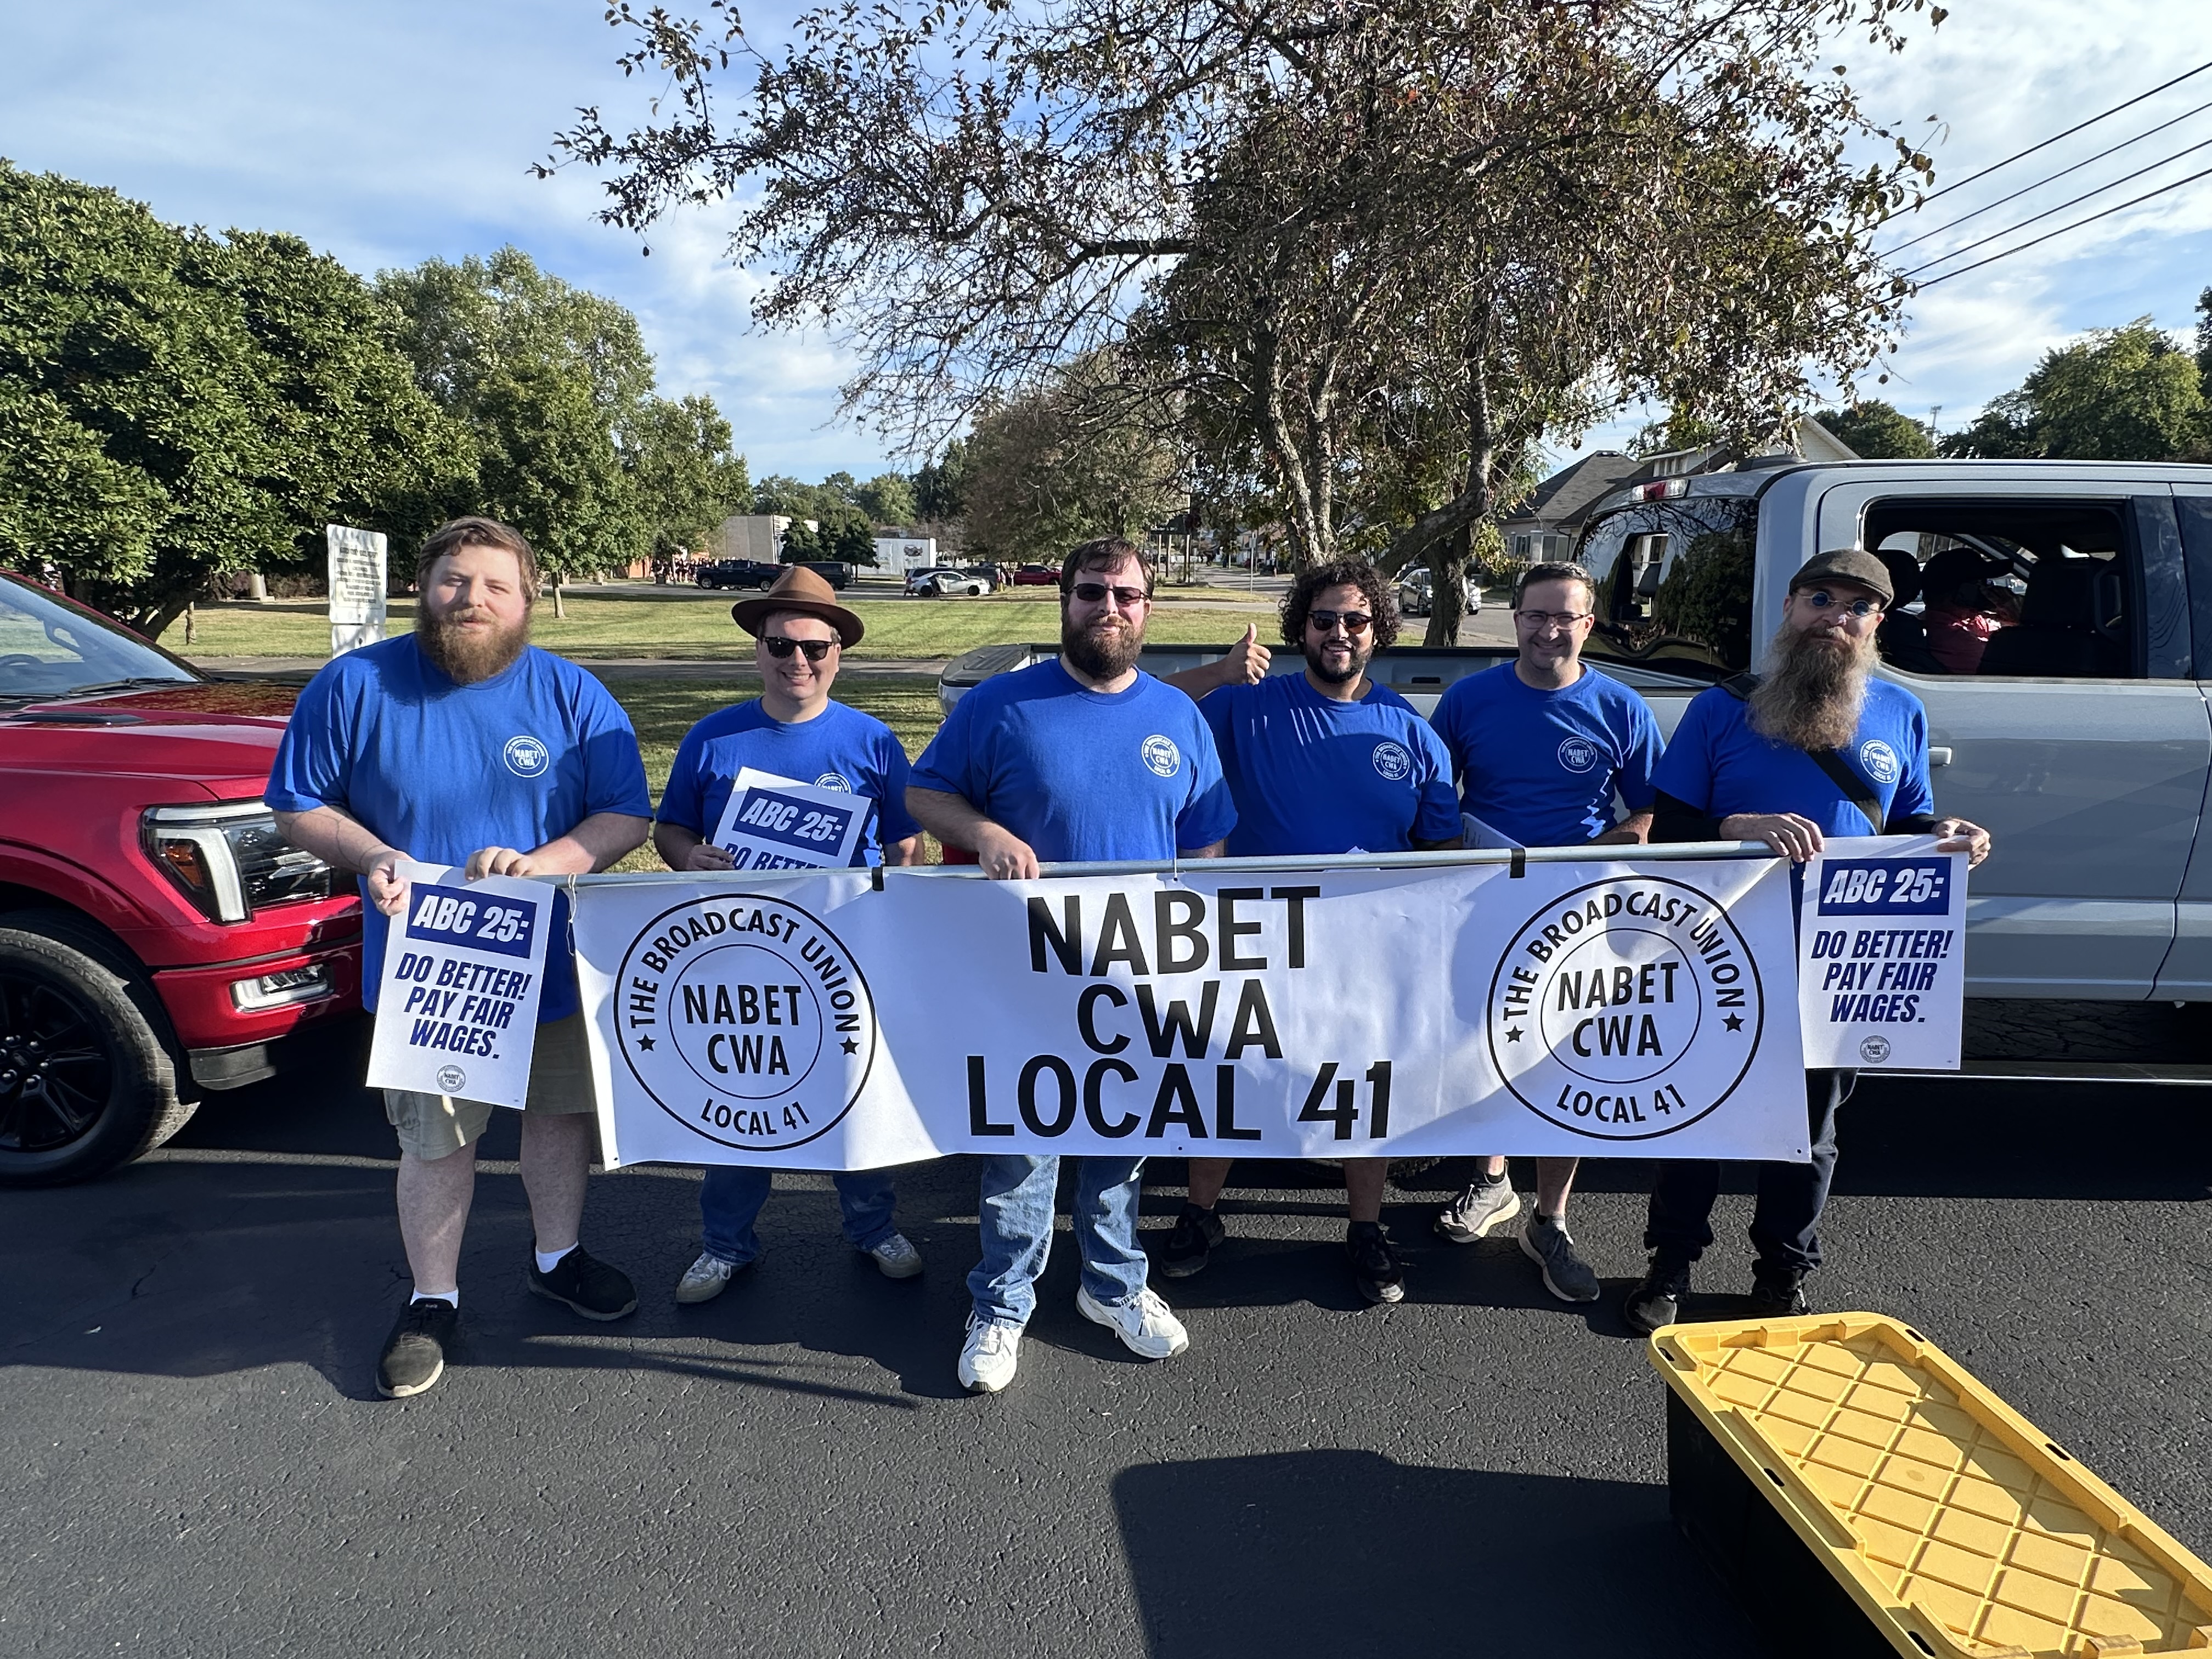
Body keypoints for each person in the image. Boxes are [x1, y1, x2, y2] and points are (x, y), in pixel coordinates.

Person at [268, 516, 654, 1399]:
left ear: (526, 601)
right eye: (453, 580)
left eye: (493, 585)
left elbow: (623, 815)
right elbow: (297, 803)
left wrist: (541, 865)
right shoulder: (354, 685)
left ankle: (556, 1259)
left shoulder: (572, 695)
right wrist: (372, 857)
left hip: (551, 956)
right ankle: (432, 1298)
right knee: (438, 1138)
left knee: (557, 1120)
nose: (470, 599)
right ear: (425, 587)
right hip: (432, 970)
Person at [1622, 548, 1992, 1335]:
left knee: (1811, 1132)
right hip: (1722, 953)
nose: (1835, 617)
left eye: (1856, 607)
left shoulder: (1900, 711)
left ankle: (1783, 1270)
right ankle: (1672, 1262)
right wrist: (1739, 826)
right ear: (1790, 608)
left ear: (1877, 625)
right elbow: (1671, 825)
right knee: (1701, 1118)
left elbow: (1908, 823)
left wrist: (1946, 833)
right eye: (1820, 599)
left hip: (1844, 960)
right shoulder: (1723, 708)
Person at [906, 536, 1236, 1393]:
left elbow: (1204, 844)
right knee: (1023, 1147)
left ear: (1148, 609)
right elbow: (924, 793)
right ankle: (1003, 1301)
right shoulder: (1000, 706)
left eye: (1127, 595)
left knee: (1122, 1141)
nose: (1111, 609)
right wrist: (982, 832)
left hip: (1135, 973)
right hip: (1022, 972)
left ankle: (1112, 1287)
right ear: (1066, 600)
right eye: (1093, 593)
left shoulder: (1177, 716)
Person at [1155, 561, 1461, 1304]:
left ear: (1380, 630)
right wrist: (1222, 671)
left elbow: (1446, 851)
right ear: (1303, 628)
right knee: (1229, 1073)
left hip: (1366, 947)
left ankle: (1364, 1228)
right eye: (1324, 619)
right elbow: (1140, 707)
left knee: (1360, 1088)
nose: (1340, 633)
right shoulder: (1247, 705)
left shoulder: (1410, 733)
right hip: (1255, 936)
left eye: (1357, 620)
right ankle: (1201, 1214)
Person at [653, 566, 928, 1305]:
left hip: (848, 957)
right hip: (742, 960)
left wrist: (895, 906)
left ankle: (872, 1227)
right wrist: (689, 855)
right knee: (745, 1098)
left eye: (815, 647)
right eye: (782, 645)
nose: (797, 661)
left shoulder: (872, 743)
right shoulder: (713, 739)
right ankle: (725, 1245)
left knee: (856, 1094)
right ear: (757, 648)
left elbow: (906, 846)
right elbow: (669, 829)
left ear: (839, 652)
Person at [1425, 561, 1663, 1305]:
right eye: (1536, 615)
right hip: (1486, 906)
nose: (1549, 630)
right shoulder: (1468, 700)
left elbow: (1656, 812)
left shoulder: (1621, 708)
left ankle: (1550, 1219)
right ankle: (1490, 1182)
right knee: (1489, 1047)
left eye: (1567, 617)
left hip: (1579, 914)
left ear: (1589, 625)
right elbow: (1436, 800)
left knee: (1565, 1062)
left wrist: (1625, 840)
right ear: (1515, 619)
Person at [1920, 546, 2018, 674]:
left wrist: (2009, 611)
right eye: (1980, 584)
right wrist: (2015, 611)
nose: (1988, 589)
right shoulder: (1953, 639)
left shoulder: (1971, 620)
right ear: (1960, 592)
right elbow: (2021, 663)